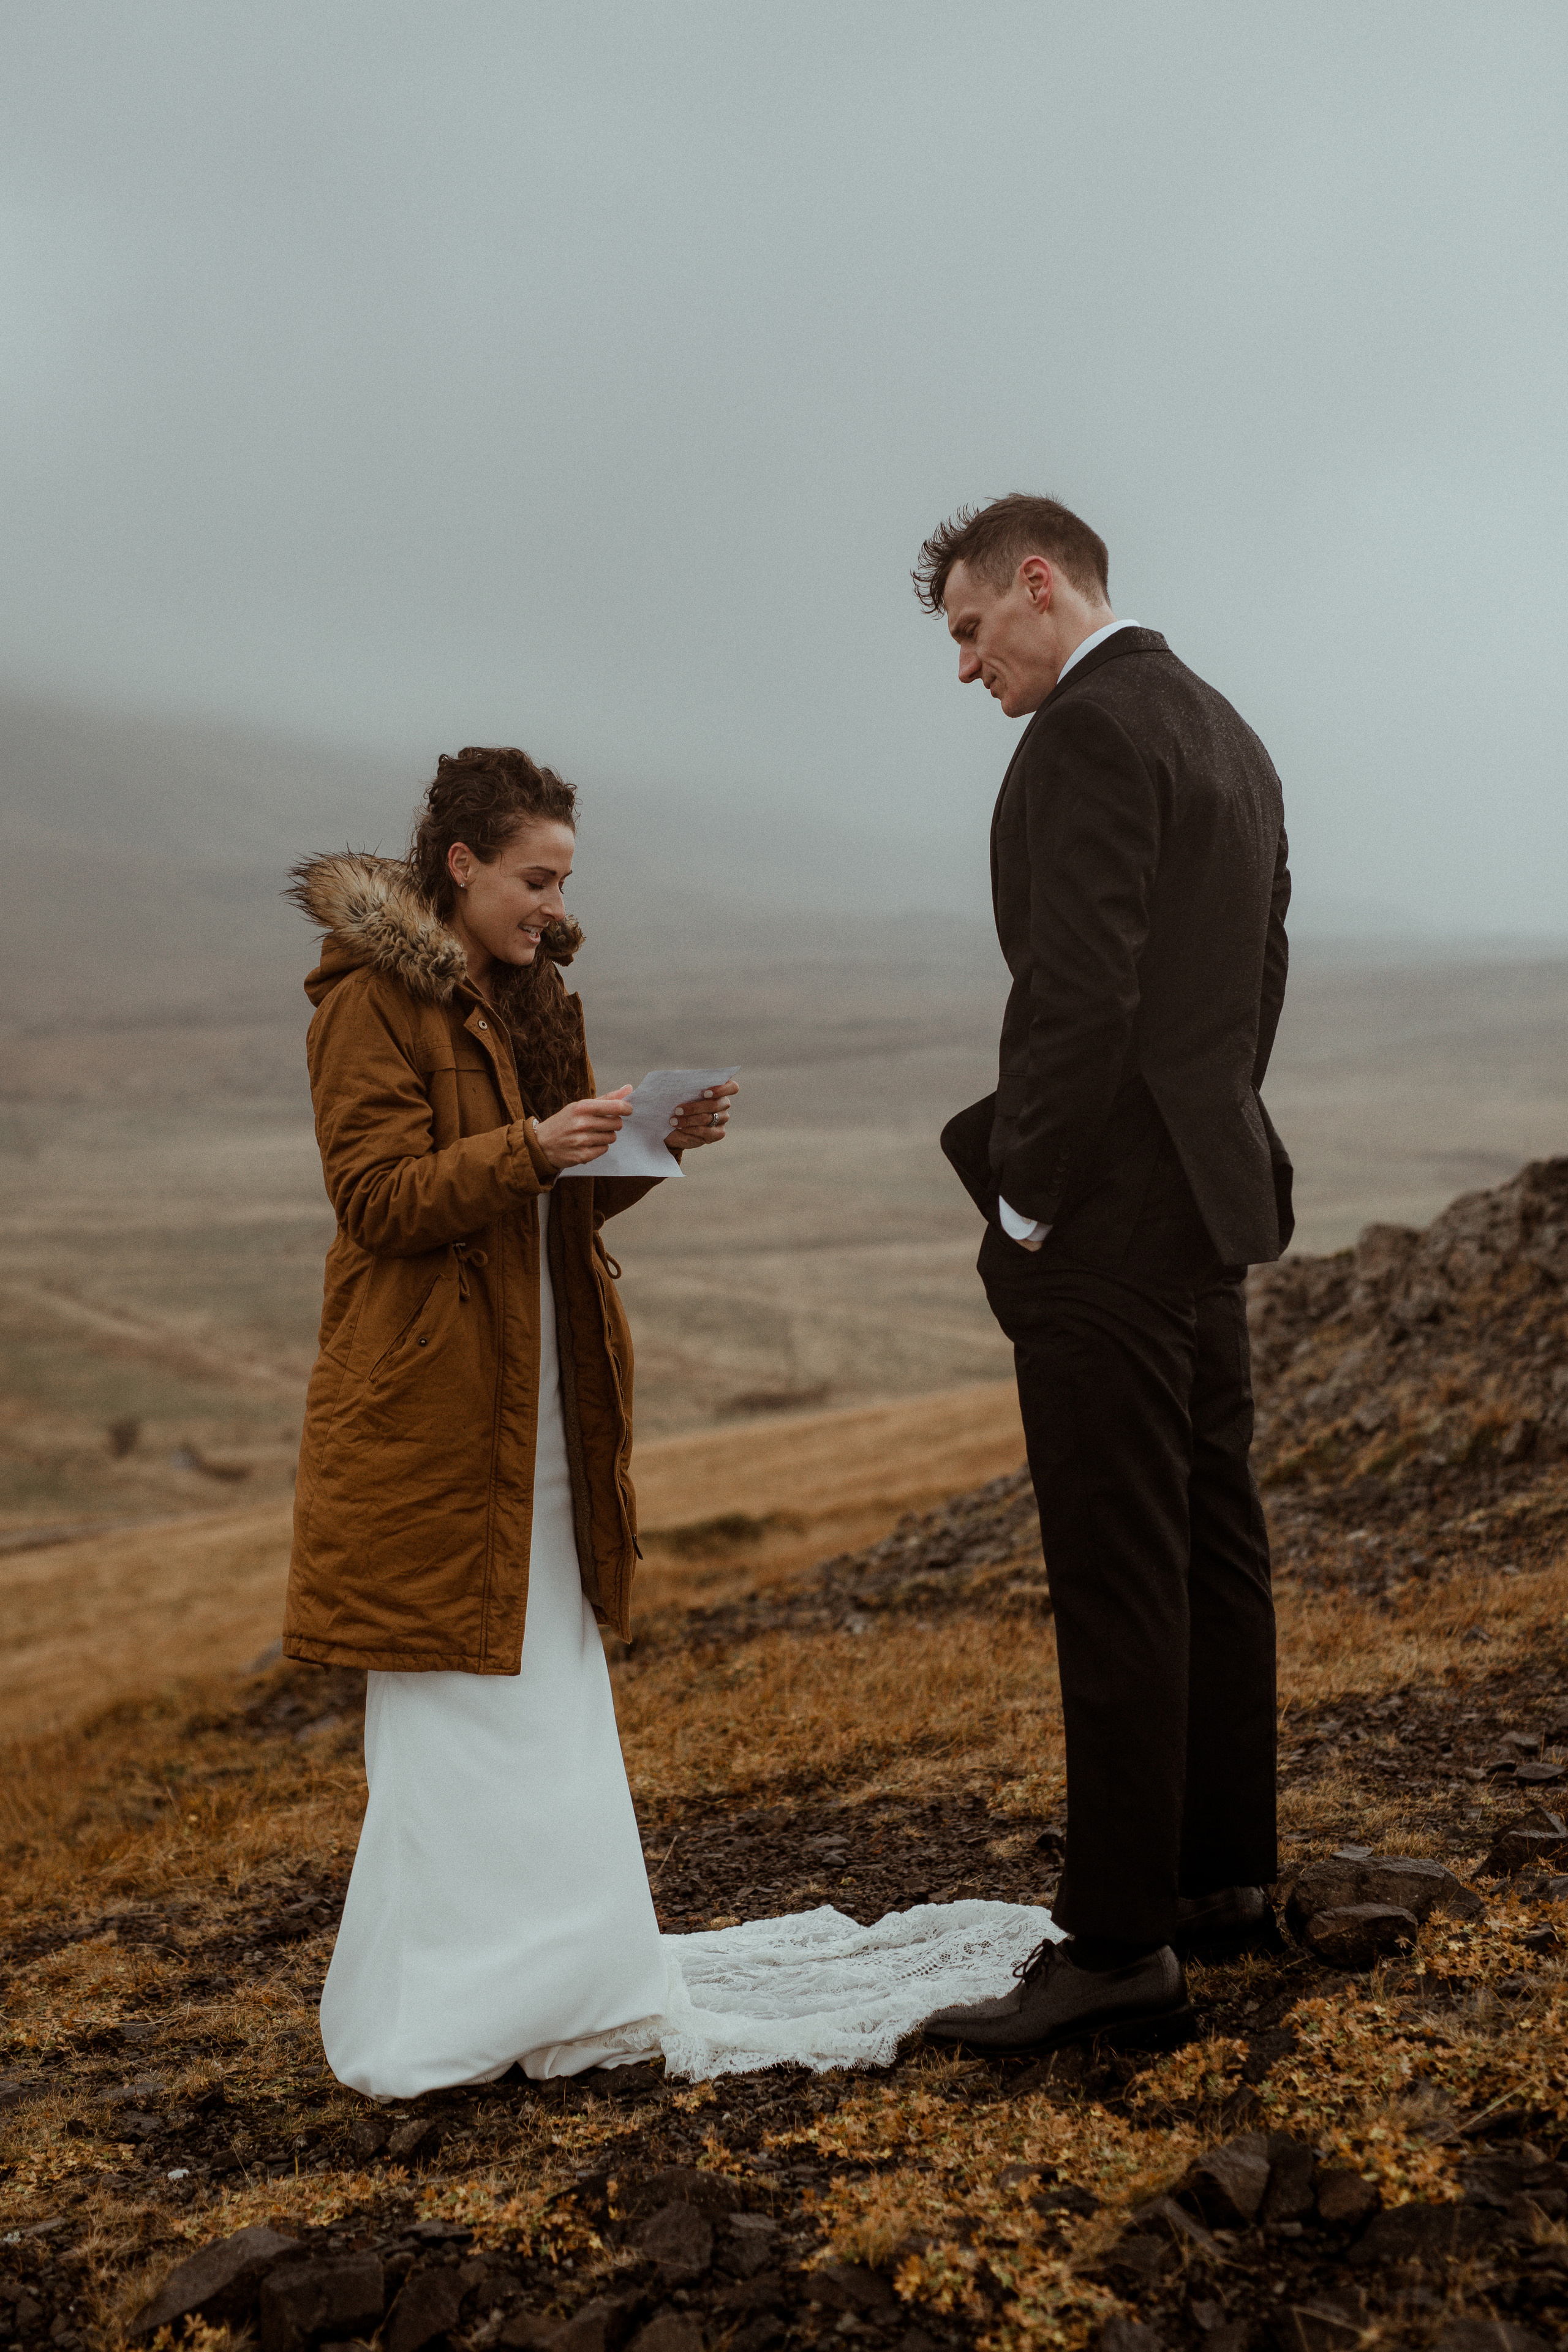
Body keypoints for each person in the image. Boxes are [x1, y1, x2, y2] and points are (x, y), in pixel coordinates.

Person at [285, 744, 1052, 2097]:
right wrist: (534, 1146)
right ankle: (454, 2002)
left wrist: (649, 1140)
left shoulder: (530, 997)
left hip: (545, 1398)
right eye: (535, 877)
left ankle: (568, 1972)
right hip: (433, 1412)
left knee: (551, 1687)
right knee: (460, 1701)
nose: (552, 902)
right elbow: (378, 1201)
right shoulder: (366, 1003)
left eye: (565, 878)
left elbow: (558, 1208)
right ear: (458, 866)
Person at [917, 496, 1292, 2057]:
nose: (961, 670)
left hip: (1111, 1223)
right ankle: (1216, 1883)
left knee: (1117, 1567)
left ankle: (1117, 1946)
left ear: (1036, 581)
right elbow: (1258, 964)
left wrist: (1024, 1200)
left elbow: (1078, 988)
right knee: (1212, 1546)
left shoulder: (1081, 736)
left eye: (963, 632)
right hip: (1207, 1198)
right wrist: (1200, 1137)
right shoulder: (1222, 730)